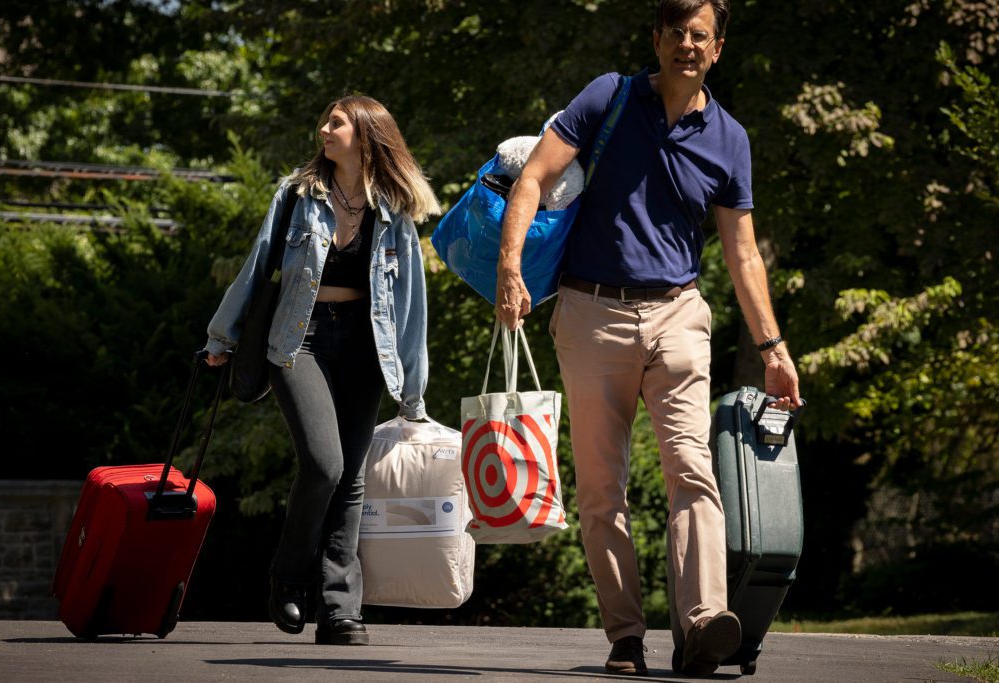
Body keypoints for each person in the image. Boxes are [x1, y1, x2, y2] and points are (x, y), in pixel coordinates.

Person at [495, 0, 801, 676]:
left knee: (692, 468)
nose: (687, 46)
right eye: (676, 34)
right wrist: (510, 266)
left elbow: (743, 254)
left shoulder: (729, 139)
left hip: (678, 316)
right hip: (590, 312)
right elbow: (533, 177)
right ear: (657, 40)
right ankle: (626, 634)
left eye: (701, 36)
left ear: (717, 48)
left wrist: (774, 348)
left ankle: (700, 626)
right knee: (603, 490)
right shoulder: (609, 96)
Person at [204, 95, 440, 645]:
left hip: (364, 343)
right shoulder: (296, 195)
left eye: (337, 122)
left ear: (366, 135)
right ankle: (288, 578)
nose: (324, 128)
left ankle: (339, 611)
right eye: (327, 120)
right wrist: (223, 336)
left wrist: (413, 389)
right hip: (299, 339)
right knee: (324, 465)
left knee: (352, 480)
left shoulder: (395, 207)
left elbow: (410, 303)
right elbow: (259, 264)